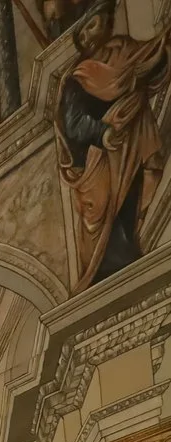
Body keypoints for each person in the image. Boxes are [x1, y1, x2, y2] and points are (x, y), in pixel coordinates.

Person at [57, 1, 171, 287]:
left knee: (132, 202)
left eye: (91, 26)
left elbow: (150, 64)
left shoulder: (125, 50)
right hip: (101, 159)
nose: (86, 37)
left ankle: (127, 253)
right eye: (81, 35)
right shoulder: (78, 76)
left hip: (130, 145)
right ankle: (113, 266)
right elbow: (71, 122)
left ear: (106, 21)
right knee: (106, 215)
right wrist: (102, 133)